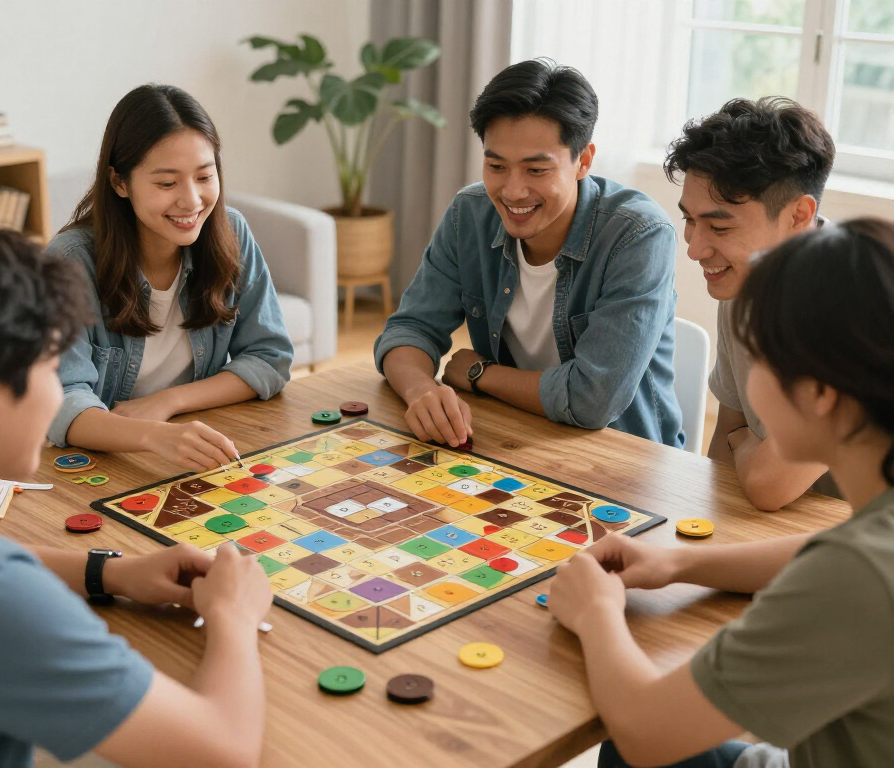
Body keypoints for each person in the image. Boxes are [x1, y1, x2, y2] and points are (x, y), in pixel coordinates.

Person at [0, 222, 272, 768]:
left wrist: (107, 572)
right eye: (50, 365)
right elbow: (224, 751)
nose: (60, 393)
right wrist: (233, 616)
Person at [546, 219, 894, 768]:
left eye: (761, 359)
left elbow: (645, 730)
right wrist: (678, 563)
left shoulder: (858, 577)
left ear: (820, 392)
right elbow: (829, 551)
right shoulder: (871, 539)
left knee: (623, 747)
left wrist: (596, 613)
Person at [374, 59, 683, 449]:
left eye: (536, 170)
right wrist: (421, 389)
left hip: (620, 456)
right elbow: (409, 330)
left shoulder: (638, 236)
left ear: (583, 161)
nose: (513, 191)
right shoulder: (470, 214)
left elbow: (593, 400)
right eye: (496, 165)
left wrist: (479, 373)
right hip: (511, 438)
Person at [48, 84, 293, 471]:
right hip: (103, 462)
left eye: (204, 176)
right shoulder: (69, 262)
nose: (192, 201)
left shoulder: (231, 233)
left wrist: (170, 401)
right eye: (167, 183)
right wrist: (153, 435)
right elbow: (59, 402)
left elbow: (270, 358)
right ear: (119, 182)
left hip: (189, 449)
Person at [665, 97, 837, 509]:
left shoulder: (855, 308)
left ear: (798, 216)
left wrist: (744, 442)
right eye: (690, 220)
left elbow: (766, 484)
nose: (694, 249)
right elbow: (727, 439)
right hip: (792, 531)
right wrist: (746, 444)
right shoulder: (744, 288)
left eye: (719, 226)